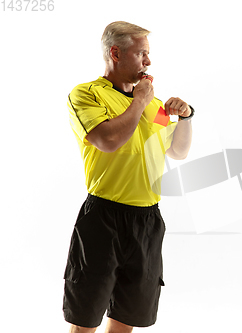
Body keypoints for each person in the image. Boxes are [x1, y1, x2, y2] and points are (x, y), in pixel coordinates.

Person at [64, 21, 194, 333]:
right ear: (115, 53)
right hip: (103, 217)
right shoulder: (86, 94)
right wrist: (139, 101)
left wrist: (186, 117)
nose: (148, 62)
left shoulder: (155, 105)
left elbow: (178, 151)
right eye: (142, 54)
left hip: (146, 221)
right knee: (86, 317)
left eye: (149, 54)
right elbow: (108, 141)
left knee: (126, 318)